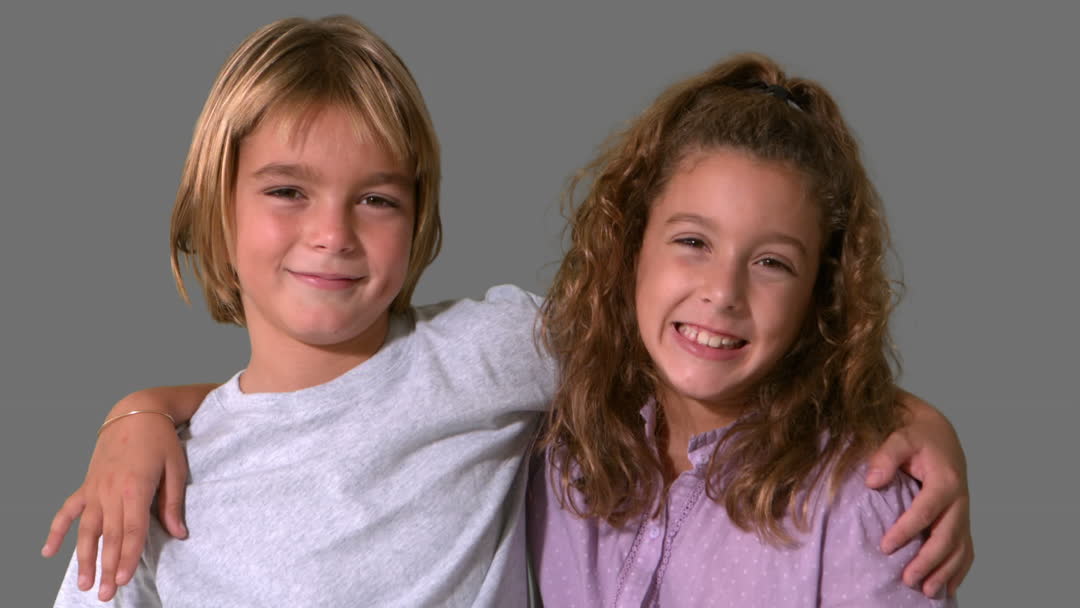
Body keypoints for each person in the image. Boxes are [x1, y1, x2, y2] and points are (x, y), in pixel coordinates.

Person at [43, 16, 971, 607]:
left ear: (419, 218)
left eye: (377, 199)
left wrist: (912, 418)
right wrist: (138, 415)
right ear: (213, 205)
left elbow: (684, 338)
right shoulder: (154, 494)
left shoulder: (490, 353)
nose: (331, 234)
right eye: (288, 191)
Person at [529, 53, 964, 606]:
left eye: (772, 263)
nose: (723, 292)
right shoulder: (557, 441)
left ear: (820, 294)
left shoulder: (861, 505)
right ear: (631, 246)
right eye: (693, 242)